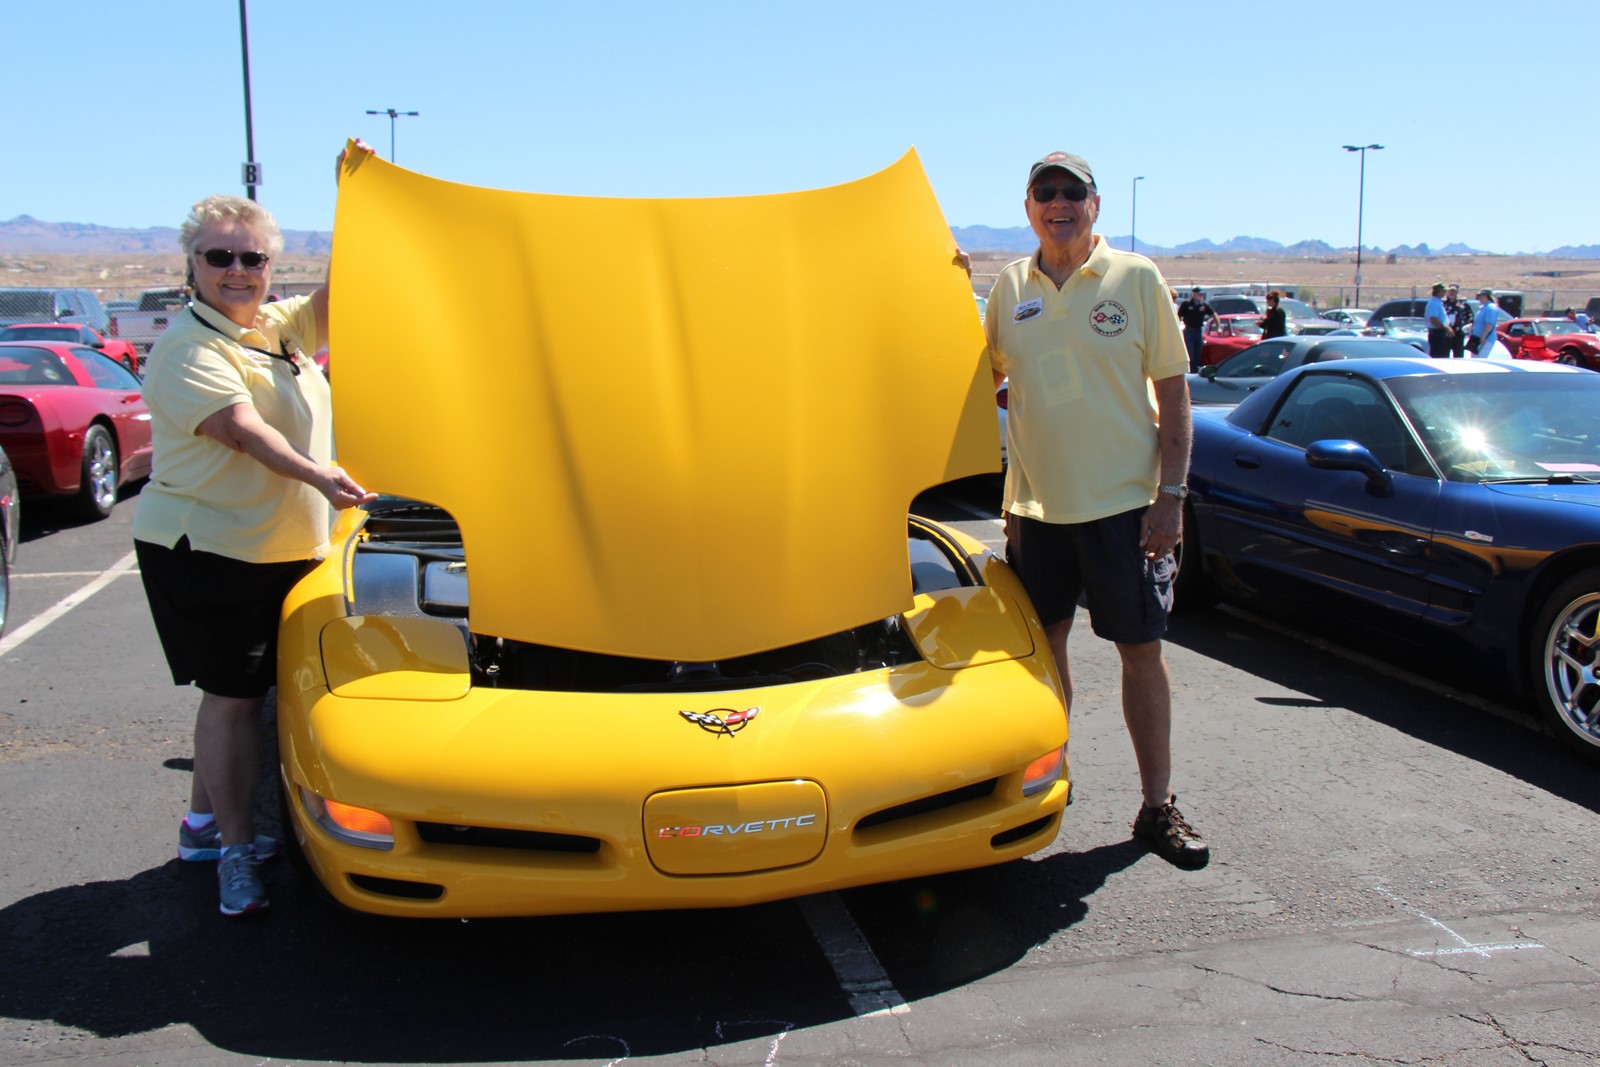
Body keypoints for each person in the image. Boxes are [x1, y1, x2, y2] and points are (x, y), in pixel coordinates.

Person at [133, 150, 378, 916]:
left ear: (270, 265)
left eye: (253, 258)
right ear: (192, 265)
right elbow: (242, 430)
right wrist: (319, 476)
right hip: (214, 550)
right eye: (220, 257)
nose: (237, 271)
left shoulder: (274, 326)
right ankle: (234, 854)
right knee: (236, 699)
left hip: (287, 546)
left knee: (237, 695)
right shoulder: (189, 347)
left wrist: (357, 202)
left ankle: (203, 826)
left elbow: (346, 295)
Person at [983, 150, 1207, 868]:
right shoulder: (1008, 288)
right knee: (1045, 652)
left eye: (1071, 192)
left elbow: (1173, 392)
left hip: (1125, 508)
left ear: (1095, 204)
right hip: (1037, 511)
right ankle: (1052, 782)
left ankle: (1157, 805)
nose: (1059, 204)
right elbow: (986, 377)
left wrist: (1171, 497)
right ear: (1028, 208)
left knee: (1140, 652)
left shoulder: (1136, 278)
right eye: (1044, 192)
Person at [1176, 286, 1218, 372]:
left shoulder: (1203, 305)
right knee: (1190, 353)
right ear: (1194, 294)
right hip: (1188, 331)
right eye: (1199, 294)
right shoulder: (1186, 304)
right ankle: (1189, 370)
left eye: (1202, 294)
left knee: (1197, 353)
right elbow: (1178, 316)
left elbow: (1214, 314)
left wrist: (1218, 326)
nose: (1201, 296)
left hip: (1198, 331)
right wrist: (1177, 327)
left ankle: (1194, 370)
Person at [1471, 288, 1509, 359]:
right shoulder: (1483, 307)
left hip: (1485, 339)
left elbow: (1489, 324)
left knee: (1480, 359)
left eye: (1480, 296)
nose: (1479, 298)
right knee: (1474, 359)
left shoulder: (1491, 307)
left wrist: (1483, 337)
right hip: (1476, 339)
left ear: (1486, 296)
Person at [1424, 282, 1452, 358]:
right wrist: (1446, 328)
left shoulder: (1437, 302)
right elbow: (1433, 319)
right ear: (1439, 292)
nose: (1445, 293)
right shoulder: (1434, 303)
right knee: (1438, 355)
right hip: (1437, 333)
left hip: (1439, 332)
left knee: (1442, 354)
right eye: (1444, 291)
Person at [1445, 284, 1471, 358]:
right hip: (1446, 332)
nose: (1452, 292)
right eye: (1450, 290)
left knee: (1458, 355)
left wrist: (1466, 327)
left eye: (1454, 291)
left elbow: (1470, 316)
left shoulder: (1463, 303)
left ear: (1457, 292)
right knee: (1444, 355)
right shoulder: (1443, 302)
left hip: (1459, 333)